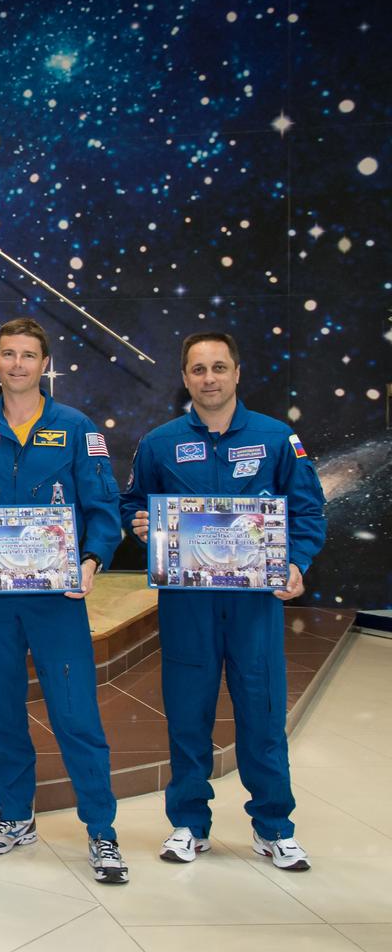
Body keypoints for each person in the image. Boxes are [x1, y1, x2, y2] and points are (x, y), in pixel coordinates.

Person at [0, 317, 129, 885]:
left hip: (56, 595)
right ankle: (15, 816)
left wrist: (91, 560)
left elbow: (102, 506)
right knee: (0, 708)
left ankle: (101, 830)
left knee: (74, 712)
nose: (17, 364)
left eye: (28, 355)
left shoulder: (76, 428)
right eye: (7, 354)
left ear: (45, 365)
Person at [121, 332, 326, 871]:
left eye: (218, 367)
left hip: (254, 603)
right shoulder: (159, 443)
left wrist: (298, 563)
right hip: (186, 602)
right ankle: (189, 824)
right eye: (197, 369)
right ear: (184, 378)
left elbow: (308, 511)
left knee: (261, 711)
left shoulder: (278, 438)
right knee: (188, 712)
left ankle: (274, 826)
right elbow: (132, 503)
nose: (208, 378)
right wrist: (139, 523)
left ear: (238, 372)